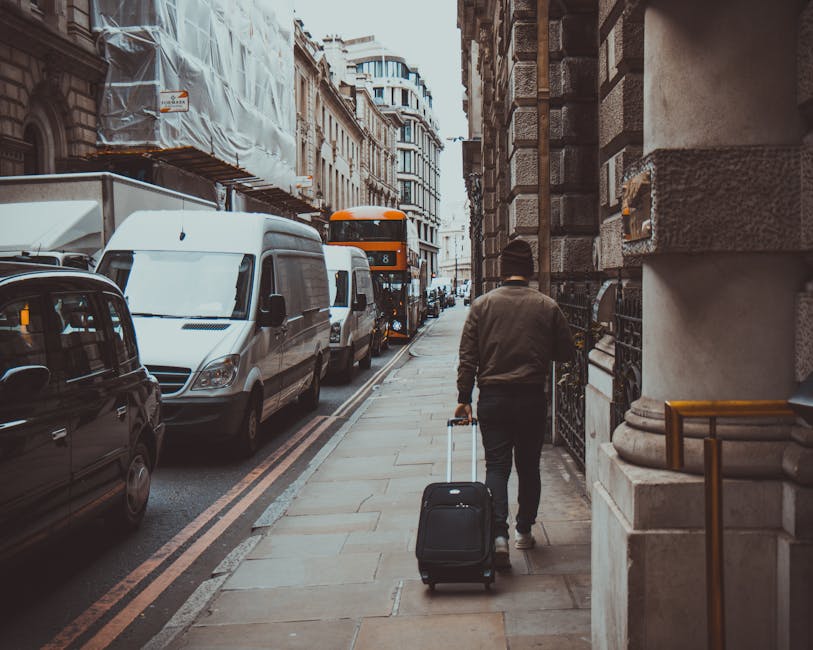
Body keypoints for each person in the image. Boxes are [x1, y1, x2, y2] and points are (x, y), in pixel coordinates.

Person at [455, 238, 575, 568]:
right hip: (531, 397)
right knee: (528, 466)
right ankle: (524, 531)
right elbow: (566, 352)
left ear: (502, 270)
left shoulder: (482, 306)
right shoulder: (546, 306)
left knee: (496, 467)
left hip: (492, 398)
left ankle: (498, 537)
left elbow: (468, 357)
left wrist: (464, 398)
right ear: (530, 270)